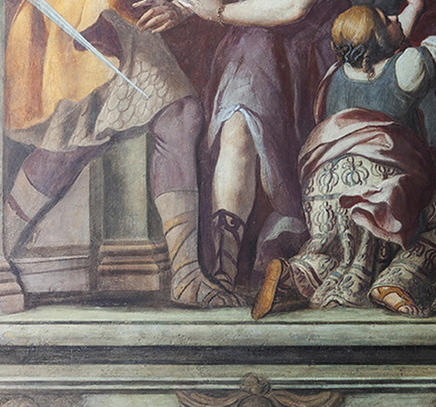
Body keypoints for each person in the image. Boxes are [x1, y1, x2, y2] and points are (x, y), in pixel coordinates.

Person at [250, 0, 436, 318]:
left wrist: (416, 6)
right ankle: (397, 282)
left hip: (324, 193)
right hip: (379, 185)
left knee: (340, 251)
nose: (395, 17)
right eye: (386, 19)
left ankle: (293, 274)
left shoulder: (335, 75)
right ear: (379, 38)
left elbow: (389, 40)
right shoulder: (405, 69)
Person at [4, 0, 242, 307]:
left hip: (119, 14)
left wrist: (180, 7)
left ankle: (186, 274)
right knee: (70, 146)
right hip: (74, 13)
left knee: (178, 116)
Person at [145, 0, 348, 298]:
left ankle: (284, 265)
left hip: (312, 52)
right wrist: (185, 7)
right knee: (237, 128)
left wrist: (215, 12)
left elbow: (294, 8)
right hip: (251, 45)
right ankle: (223, 270)